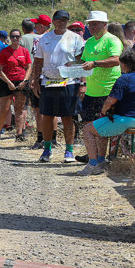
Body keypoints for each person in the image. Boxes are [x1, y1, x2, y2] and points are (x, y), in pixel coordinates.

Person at [79, 48, 135, 175]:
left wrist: (103, 112)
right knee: (100, 129)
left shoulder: (124, 79)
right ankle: (100, 161)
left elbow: (110, 101)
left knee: (87, 129)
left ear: (125, 65)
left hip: (127, 120)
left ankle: (92, 164)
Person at [31, 10, 84, 163]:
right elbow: (38, 61)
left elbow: (81, 61)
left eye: (65, 20)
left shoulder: (75, 38)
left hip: (69, 82)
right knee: (47, 116)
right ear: (54, 21)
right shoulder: (45, 38)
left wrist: (83, 83)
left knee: (68, 117)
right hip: (48, 81)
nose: (62, 22)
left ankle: (69, 151)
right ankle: (47, 149)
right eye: (59, 20)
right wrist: (35, 81)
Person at [78, 11, 123, 168]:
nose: (91, 27)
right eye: (90, 24)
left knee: (101, 128)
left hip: (107, 91)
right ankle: (93, 158)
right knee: (88, 125)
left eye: (95, 24)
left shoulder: (112, 40)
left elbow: (116, 60)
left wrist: (95, 63)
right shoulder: (90, 42)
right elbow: (84, 63)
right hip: (91, 91)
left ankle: (101, 160)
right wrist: (83, 83)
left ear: (105, 25)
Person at [0, 29, 32, 141]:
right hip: (7, 82)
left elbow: (29, 67)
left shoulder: (24, 51)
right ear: (9, 38)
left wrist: (25, 81)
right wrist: (8, 82)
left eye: (17, 36)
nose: (15, 38)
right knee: (4, 109)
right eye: (12, 36)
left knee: (19, 109)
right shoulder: (5, 52)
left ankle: (19, 134)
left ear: (20, 38)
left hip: (21, 81)